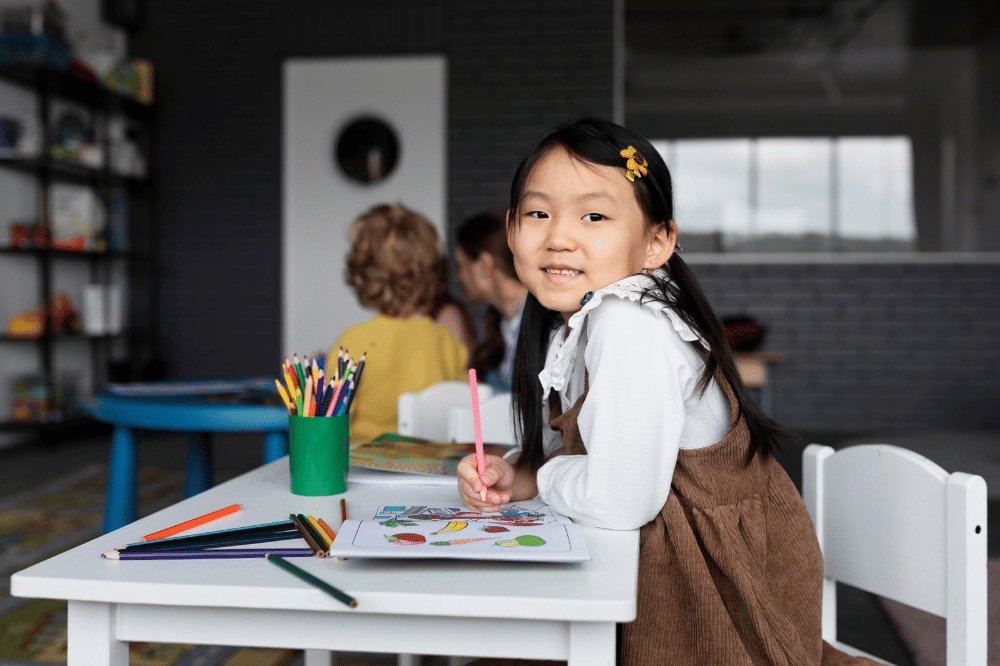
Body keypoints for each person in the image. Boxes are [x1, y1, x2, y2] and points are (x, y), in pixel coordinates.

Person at [456, 118, 878, 666]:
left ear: (657, 242)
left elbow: (618, 498)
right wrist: (521, 474)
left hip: (722, 611)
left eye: (594, 216)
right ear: (512, 230)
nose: (559, 236)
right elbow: (600, 463)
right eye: (539, 213)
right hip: (657, 587)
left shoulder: (628, 324)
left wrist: (550, 475)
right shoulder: (584, 323)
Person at [331, 203, 469, 446]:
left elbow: (331, 421)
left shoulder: (353, 343)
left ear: (363, 274)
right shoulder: (449, 342)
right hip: (434, 466)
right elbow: (462, 411)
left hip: (367, 467)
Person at [454, 211, 528, 392]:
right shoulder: (498, 329)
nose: (458, 277)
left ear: (484, 266)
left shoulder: (551, 324)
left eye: (462, 266)